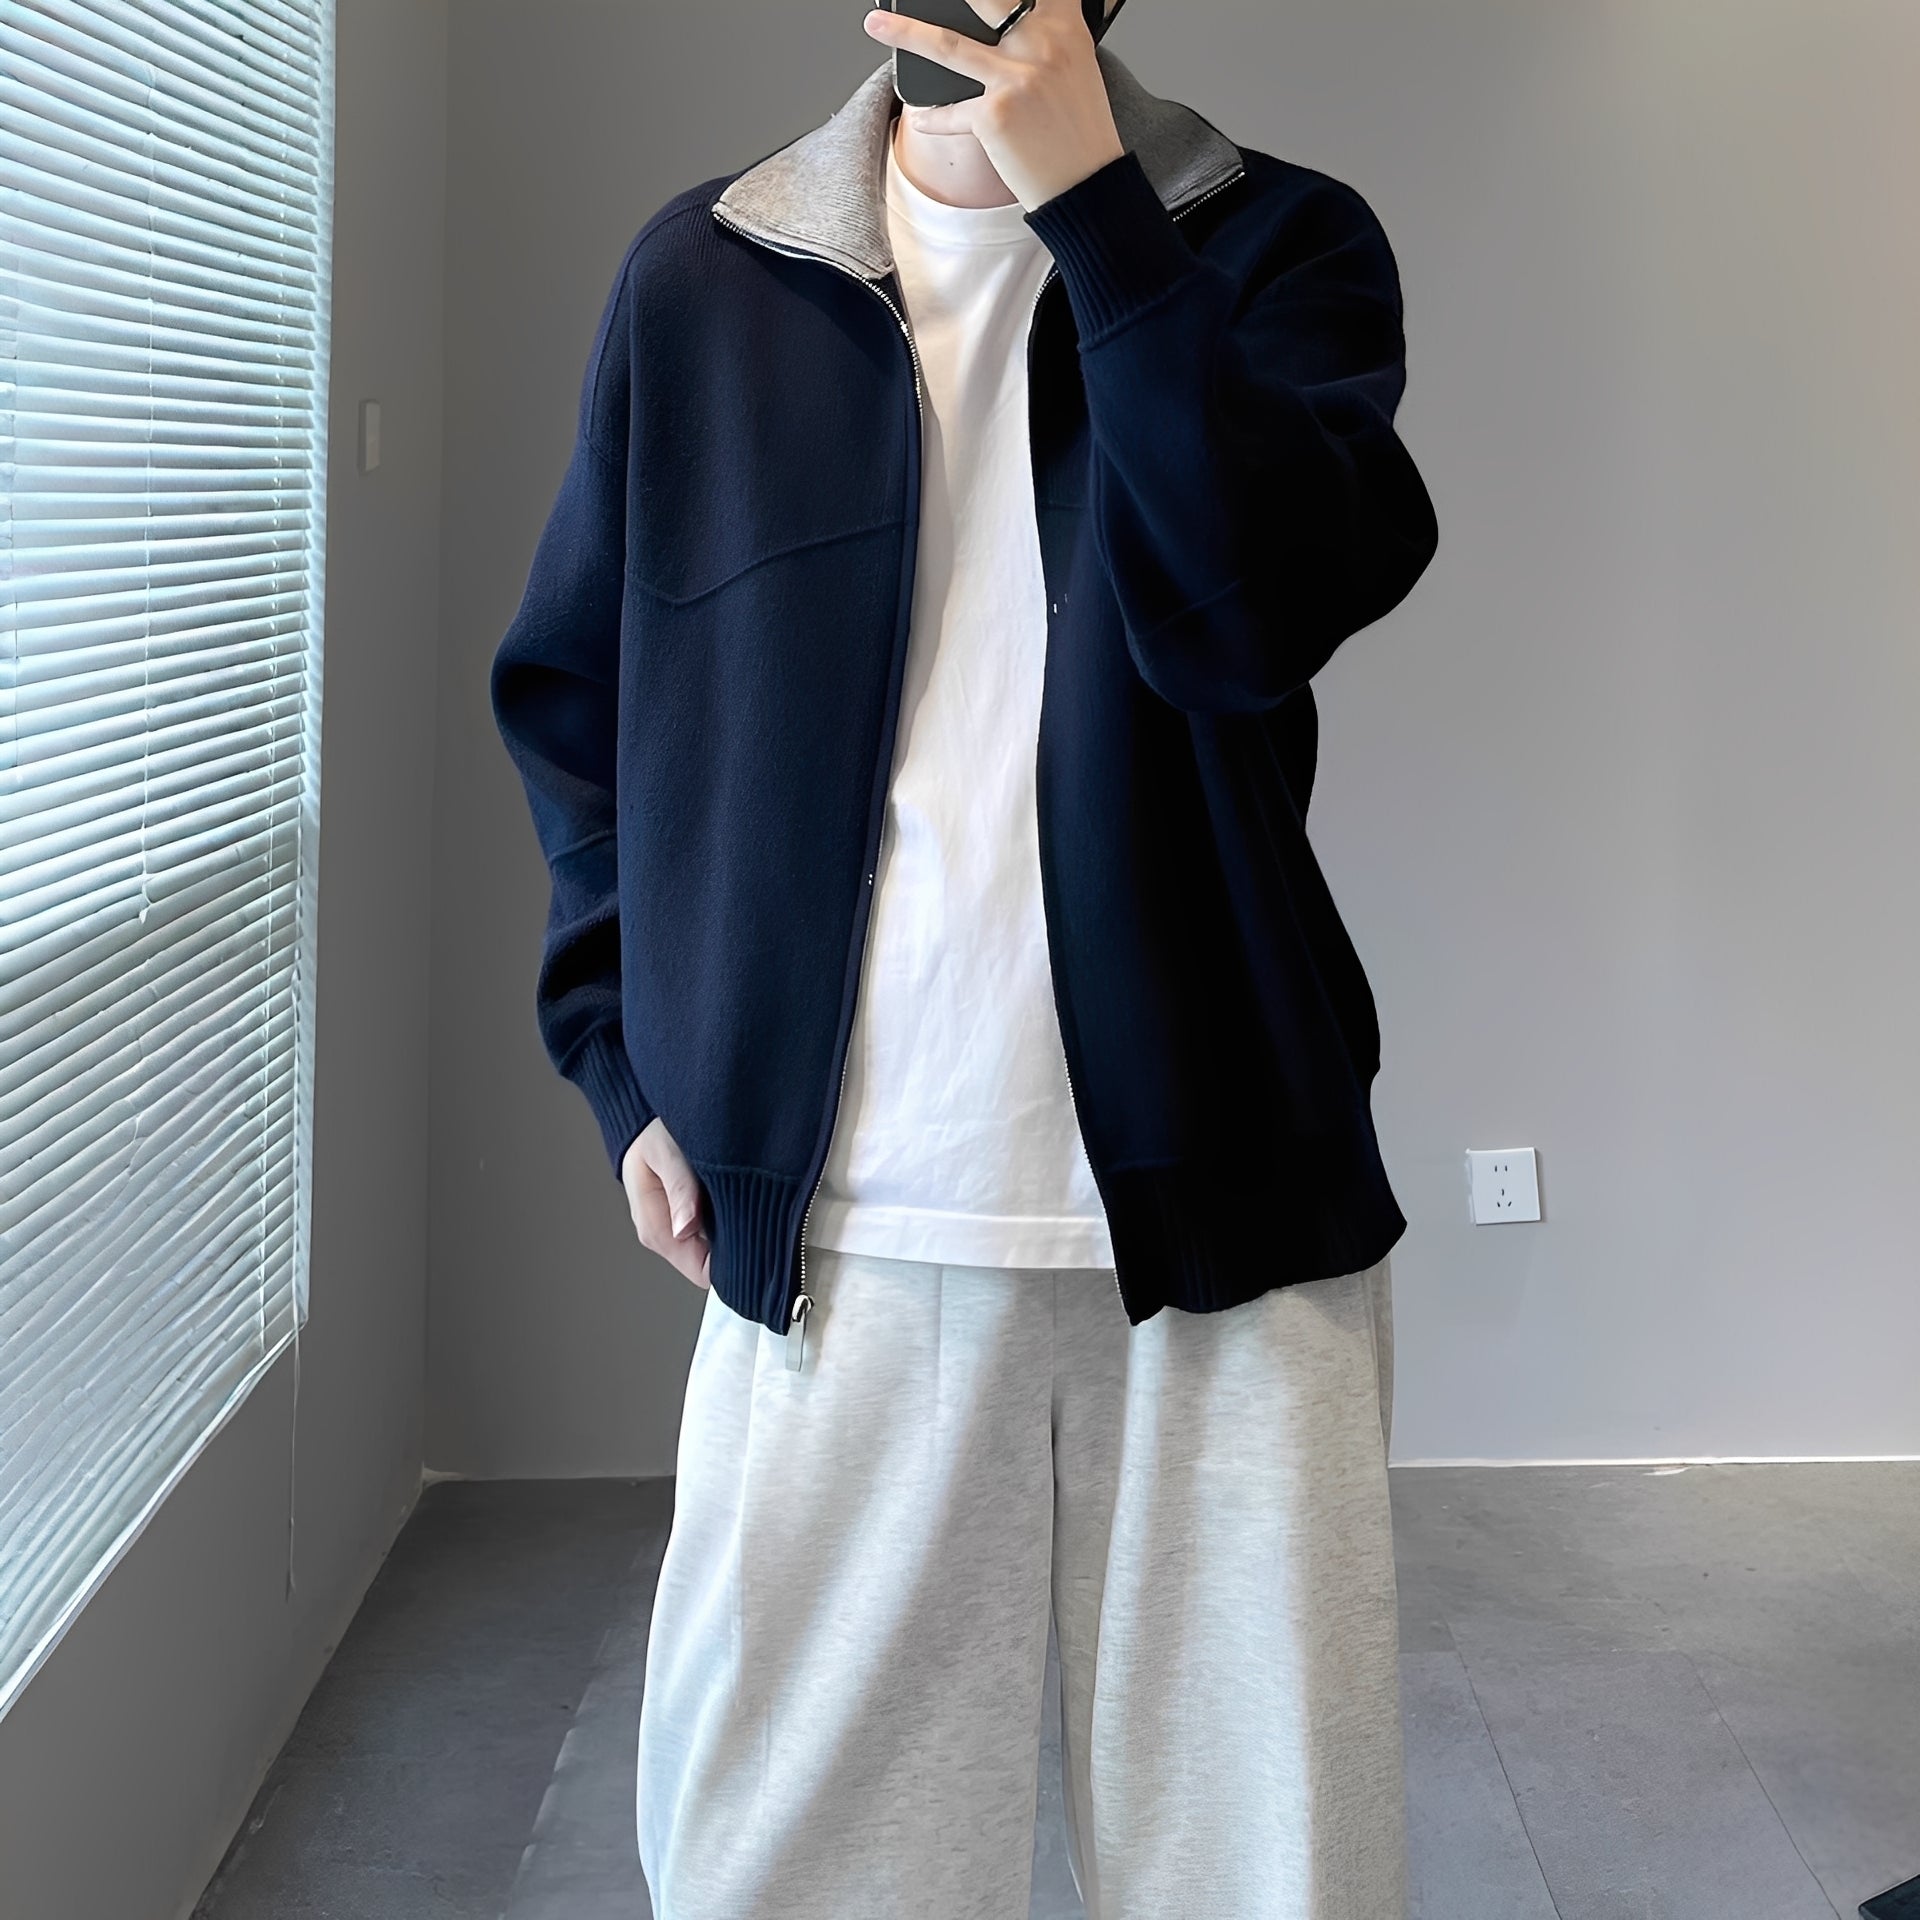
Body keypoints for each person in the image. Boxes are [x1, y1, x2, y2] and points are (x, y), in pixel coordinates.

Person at [490, 0, 1440, 1913]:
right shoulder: (705, 280)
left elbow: (1249, 616)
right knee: (786, 1875)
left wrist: (1098, 211)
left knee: (1270, 1877)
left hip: (1231, 1236)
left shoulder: (1281, 245)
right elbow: (579, 705)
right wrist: (625, 1066)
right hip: (833, 1238)